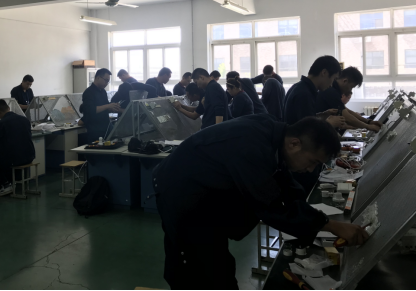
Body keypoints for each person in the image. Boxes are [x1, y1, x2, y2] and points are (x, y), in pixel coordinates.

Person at [154, 114, 369, 290]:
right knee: (200, 268)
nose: (311, 169)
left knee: (218, 265)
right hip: (182, 195)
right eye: (313, 161)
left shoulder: (274, 135)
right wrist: (330, 225)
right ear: (295, 143)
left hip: (205, 192)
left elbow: (284, 182)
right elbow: (271, 205)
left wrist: (313, 215)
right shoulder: (250, 146)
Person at [0, 99, 36, 196]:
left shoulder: (1, 123)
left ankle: (6, 184)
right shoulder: (24, 119)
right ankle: (13, 181)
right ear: (8, 108)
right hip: (29, 156)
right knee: (10, 154)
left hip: (15, 159)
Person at [284, 56, 346, 128]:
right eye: (333, 79)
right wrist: (329, 123)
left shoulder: (299, 87)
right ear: (324, 72)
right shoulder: (304, 93)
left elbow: (305, 119)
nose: (331, 85)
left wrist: (323, 115)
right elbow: (308, 129)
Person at [316, 67, 382, 132]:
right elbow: (347, 117)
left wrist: (368, 121)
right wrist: (368, 126)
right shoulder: (331, 91)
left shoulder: (334, 90)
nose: (350, 90)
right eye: (351, 87)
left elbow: (346, 111)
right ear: (345, 81)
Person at [82, 69, 123, 143]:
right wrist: (107, 106)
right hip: (95, 129)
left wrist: (113, 107)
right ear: (98, 78)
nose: (107, 83)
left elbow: (106, 108)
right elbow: (90, 110)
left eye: (108, 81)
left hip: (105, 127)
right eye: (106, 80)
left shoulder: (103, 91)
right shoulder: (89, 92)